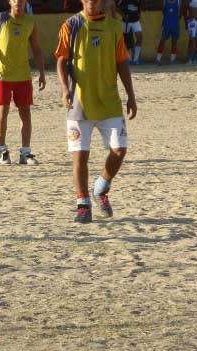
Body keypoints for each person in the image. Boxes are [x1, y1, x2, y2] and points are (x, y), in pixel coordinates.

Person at [55, 0, 137, 223]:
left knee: (120, 150)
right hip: (79, 104)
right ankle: (82, 204)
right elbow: (61, 61)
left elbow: (122, 63)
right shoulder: (70, 25)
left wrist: (131, 94)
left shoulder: (114, 27)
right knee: (80, 156)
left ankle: (101, 187)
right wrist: (64, 89)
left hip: (109, 102)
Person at [0, 0, 44, 165]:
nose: (18, 3)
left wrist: (42, 72)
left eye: (21, 1)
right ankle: (2, 150)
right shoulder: (0, 18)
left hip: (23, 74)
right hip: (2, 74)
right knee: (2, 111)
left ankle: (25, 153)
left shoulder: (30, 22)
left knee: (25, 112)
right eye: (15, 0)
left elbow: (36, 48)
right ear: (10, 2)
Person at [155, 0, 181, 64]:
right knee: (162, 41)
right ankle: (158, 59)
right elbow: (163, 11)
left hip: (175, 25)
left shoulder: (178, 1)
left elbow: (180, 13)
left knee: (174, 41)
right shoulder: (164, 1)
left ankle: (172, 59)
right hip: (166, 24)